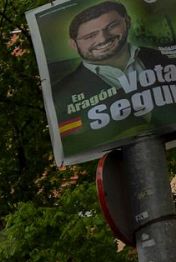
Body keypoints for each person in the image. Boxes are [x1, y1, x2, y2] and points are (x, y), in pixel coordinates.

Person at [49, 1, 176, 153]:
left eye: (111, 26)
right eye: (90, 36)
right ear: (74, 44)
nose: (103, 39)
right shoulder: (61, 95)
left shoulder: (167, 59)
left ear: (127, 22)